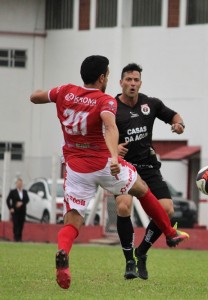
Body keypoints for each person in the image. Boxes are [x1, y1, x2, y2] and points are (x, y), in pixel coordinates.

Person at [29, 55, 189, 290]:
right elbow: (110, 127)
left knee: (73, 220)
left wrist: (44, 94)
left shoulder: (64, 91)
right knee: (142, 190)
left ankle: (63, 251)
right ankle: (168, 232)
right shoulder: (106, 100)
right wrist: (114, 157)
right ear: (103, 77)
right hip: (104, 164)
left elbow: (36, 97)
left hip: (75, 169)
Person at [114, 63, 186, 280]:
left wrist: (179, 124)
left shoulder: (151, 104)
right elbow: (99, 135)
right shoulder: (110, 107)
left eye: (136, 80)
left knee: (167, 210)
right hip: (124, 168)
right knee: (124, 206)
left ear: (140, 83)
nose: (132, 84)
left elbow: (174, 116)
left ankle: (142, 251)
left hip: (147, 166)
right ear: (121, 83)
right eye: (128, 80)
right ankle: (129, 261)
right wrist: (113, 149)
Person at [6, 177, 30, 242]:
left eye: (21, 183)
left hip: (22, 211)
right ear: (16, 184)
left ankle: (20, 238)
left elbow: (27, 199)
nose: (19, 185)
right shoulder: (13, 192)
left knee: (21, 224)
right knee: (16, 224)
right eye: (18, 183)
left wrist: (22, 202)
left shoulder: (24, 192)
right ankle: (15, 237)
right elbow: (8, 200)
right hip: (15, 211)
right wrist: (10, 208)